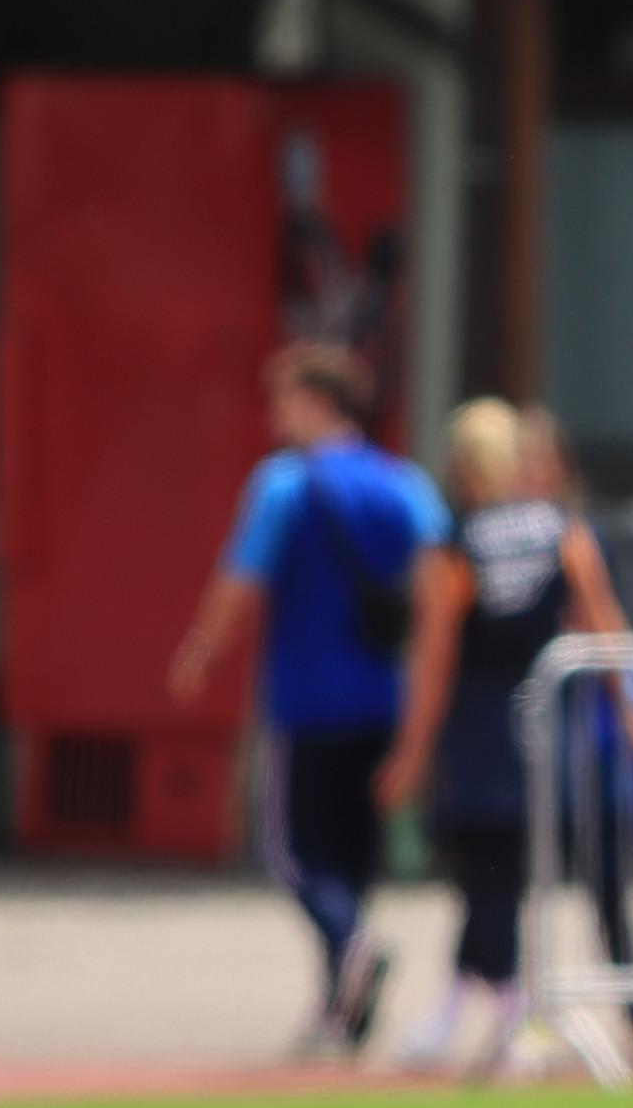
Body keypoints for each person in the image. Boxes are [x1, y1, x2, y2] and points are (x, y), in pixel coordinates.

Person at [168, 340, 446, 1053]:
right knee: (352, 860)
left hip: (306, 701)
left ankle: (351, 951)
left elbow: (241, 583)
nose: (274, 415)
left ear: (318, 402)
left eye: (284, 399)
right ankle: (340, 1013)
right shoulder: (404, 483)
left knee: (293, 851)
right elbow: (437, 586)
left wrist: (200, 652)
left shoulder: (284, 485)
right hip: (381, 700)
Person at [373, 400, 633, 1069]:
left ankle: (509, 1017)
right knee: (528, 874)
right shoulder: (563, 530)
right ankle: (489, 1013)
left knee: (488, 876)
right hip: (550, 725)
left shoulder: (454, 548)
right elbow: (600, 618)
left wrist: (409, 753)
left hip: (480, 730)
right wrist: (630, 700)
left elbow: (433, 659)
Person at [514, 405, 633, 1067]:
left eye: (540, 462)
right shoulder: (484, 542)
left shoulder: (578, 536)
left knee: (608, 881)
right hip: (521, 738)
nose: (529, 474)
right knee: (520, 883)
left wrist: (631, 697)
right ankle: (528, 1016)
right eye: (517, 462)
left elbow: (606, 620)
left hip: (580, 738)